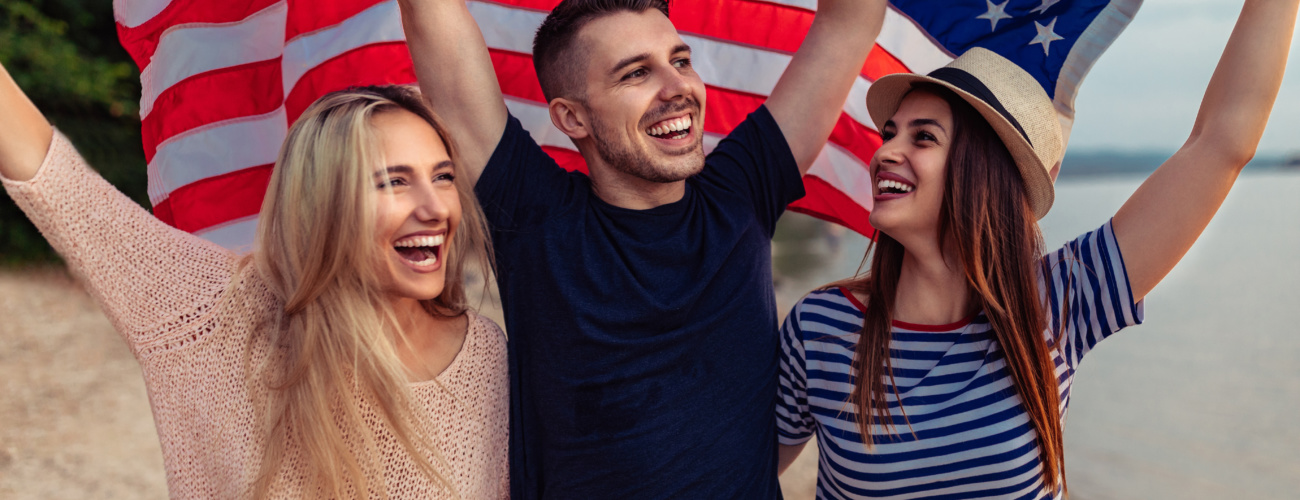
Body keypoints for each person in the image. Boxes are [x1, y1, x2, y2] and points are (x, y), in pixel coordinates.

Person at [774, 1, 1298, 498]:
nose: (886, 151)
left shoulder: (1056, 305)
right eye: (889, 133)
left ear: (982, 172)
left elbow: (1222, 142)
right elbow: (732, 476)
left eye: (923, 137)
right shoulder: (822, 329)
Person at [396, 0, 887, 496]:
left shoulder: (741, 194)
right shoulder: (533, 217)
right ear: (572, 117)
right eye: (635, 74)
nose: (678, 89)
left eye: (680, 60)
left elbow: (849, 22)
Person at [0, 76, 508, 498]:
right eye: (393, 182)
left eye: (442, 177)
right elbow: (56, 182)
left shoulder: (491, 358)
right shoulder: (215, 315)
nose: (436, 208)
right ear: (323, 201)